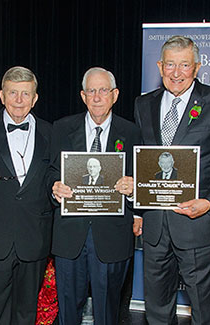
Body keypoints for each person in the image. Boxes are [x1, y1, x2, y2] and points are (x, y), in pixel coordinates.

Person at [133, 36, 210, 324]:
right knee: (156, 308)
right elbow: (142, 160)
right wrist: (138, 206)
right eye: (170, 64)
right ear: (160, 66)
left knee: (205, 310)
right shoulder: (143, 105)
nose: (176, 72)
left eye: (184, 65)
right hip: (155, 227)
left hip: (198, 226)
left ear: (197, 67)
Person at [51, 67, 140, 325]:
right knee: (67, 310)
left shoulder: (133, 133)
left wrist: (133, 188)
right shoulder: (61, 128)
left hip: (112, 237)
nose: (97, 97)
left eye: (103, 90)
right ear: (83, 95)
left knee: (107, 311)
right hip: (70, 236)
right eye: (92, 91)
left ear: (115, 95)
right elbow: (49, 174)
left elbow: (141, 182)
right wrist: (53, 188)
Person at [0, 66, 53, 325]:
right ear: (1, 95)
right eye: (13, 93)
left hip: (34, 239)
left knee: (26, 313)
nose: (19, 100)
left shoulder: (52, 133)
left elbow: (55, 177)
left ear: (35, 98)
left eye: (25, 94)